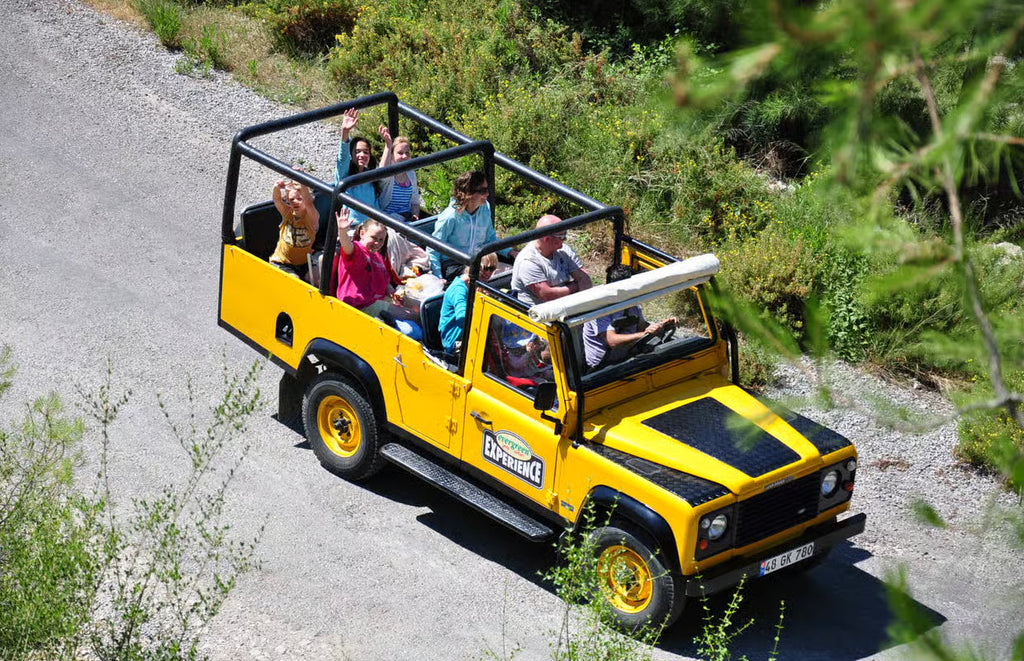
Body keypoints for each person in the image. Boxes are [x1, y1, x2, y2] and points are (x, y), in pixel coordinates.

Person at [582, 265, 677, 368]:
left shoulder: (633, 305)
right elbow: (612, 341)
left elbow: (642, 327)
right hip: (603, 369)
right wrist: (643, 333)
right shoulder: (599, 309)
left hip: (627, 358)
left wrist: (661, 325)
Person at [428, 171, 509, 282]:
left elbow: (490, 238)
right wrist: (438, 278)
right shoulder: (450, 217)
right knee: (476, 276)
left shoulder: (485, 208)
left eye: (487, 189)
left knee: (508, 271)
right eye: (483, 191)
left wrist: (510, 252)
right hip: (453, 264)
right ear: (469, 193)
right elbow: (433, 248)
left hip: (477, 260)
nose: (487, 194)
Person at [511, 214, 592, 306]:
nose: (565, 239)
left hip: (567, 307)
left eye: (565, 235)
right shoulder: (528, 261)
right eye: (561, 237)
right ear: (547, 238)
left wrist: (584, 305)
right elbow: (547, 295)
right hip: (537, 313)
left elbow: (584, 278)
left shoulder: (564, 251)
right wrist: (575, 286)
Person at [333, 107, 387, 225]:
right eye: (357, 152)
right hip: (353, 226)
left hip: (373, 226)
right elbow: (342, 158)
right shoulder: (344, 175)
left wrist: (388, 145)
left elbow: (384, 170)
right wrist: (345, 132)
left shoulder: (370, 177)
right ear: (351, 155)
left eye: (365, 152)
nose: (362, 155)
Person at [439, 253, 498, 353]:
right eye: (484, 268)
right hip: (456, 342)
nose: (488, 273)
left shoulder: (478, 284)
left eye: (492, 268)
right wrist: (480, 304)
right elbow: (462, 318)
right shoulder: (459, 289)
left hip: (475, 333)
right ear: (474, 266)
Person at [269, 179, 319, 281]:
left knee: (317, 277)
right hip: (282, 261)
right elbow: (277, 200)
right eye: (292, 199)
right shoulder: (287, 213)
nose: (295, 202)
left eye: (299, 199)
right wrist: (276, 187)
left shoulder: (311, 217)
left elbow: (308, 203)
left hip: (304, 261)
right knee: (294, 279)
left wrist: (302, 182)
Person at [378, 134, 421, 221]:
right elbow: (382, 172)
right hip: (389, 219)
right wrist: (388, 146)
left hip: (406, 218)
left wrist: (415, 215)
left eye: (407, 153)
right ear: (392, 156)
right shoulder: (390, 176)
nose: (404, 156)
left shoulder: (411, 174)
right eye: (400, 153)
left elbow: (415, 202)